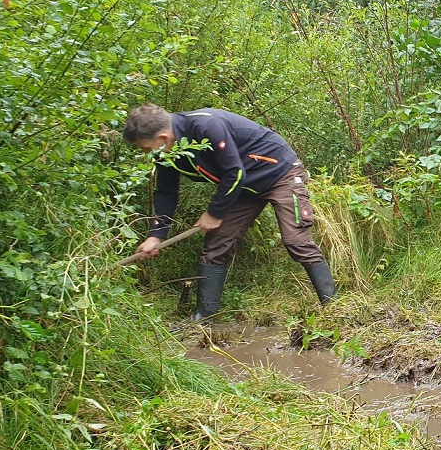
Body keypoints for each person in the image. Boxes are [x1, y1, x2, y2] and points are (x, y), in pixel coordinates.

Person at [124, 103, 337, 318]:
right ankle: (203, 319)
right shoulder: (166, 153)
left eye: (145, 148)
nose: (146, 153)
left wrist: (214, 213)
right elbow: (166, 192)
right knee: (218, 243)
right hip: (243, 186)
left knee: (296, 240)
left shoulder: (206, 126)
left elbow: (234, 173)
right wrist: (156, 235)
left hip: (280, 173)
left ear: (163, 138)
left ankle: (333, 309)